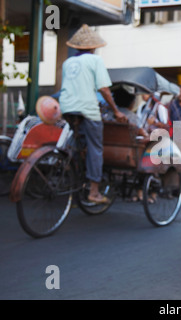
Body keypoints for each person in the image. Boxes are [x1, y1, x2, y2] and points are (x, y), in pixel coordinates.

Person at [59, 24, 127, 204]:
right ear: (93, 47)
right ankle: (94, 192)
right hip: (87, 109)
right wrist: (116, 111)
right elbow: (104, 89)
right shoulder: (95, 61)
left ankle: (74, 175)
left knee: (77, 146)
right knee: (95, 149)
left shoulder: (67, 62)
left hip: (66, 107)